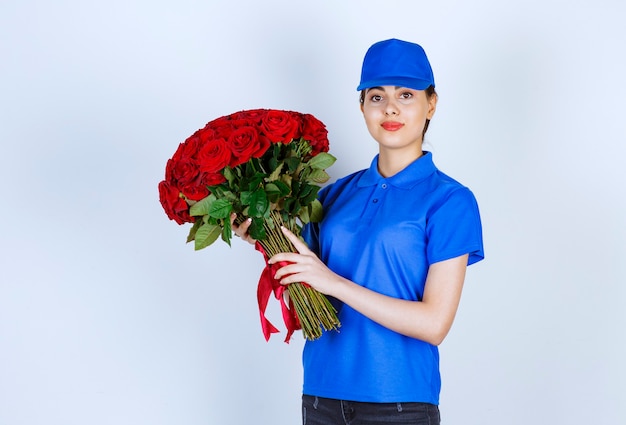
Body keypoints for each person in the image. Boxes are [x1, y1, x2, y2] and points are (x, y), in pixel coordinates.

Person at [233, 38, 484, 425]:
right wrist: (265, 237)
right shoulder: (332, 195)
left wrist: (334, 283)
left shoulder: (449, 201)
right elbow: (307, 280)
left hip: (399, 403)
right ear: (362, 106)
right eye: (376, 97)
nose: (391, 108)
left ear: (431, 103)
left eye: (406, 95)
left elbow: (434, 324)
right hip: (321, 396)